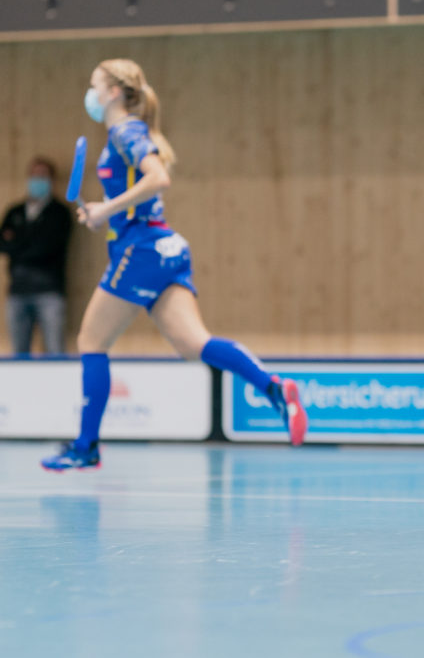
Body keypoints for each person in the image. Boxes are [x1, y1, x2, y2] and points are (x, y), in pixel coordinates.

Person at [40, 59, 307, 471]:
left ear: (112, 92)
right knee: (194, 345)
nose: (89, 95)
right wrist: (104, 214)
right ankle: (274, 388)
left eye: (94, 85)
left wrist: (106, 209)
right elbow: (139, 193)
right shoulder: (127, 133)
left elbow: (157, 177)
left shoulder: (125, 130)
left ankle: (85, 447)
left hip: (143, 250)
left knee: (92, 343)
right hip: (166, 247)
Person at [1, 157, 73, 356]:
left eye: (43, 175)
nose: (37, 179)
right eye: (34, 175)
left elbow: (47, 248)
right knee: (19, 354)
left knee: (54, 350)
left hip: (49, 291)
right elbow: (3, 244)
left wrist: (17, 242)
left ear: (51, 180)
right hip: (17, 291)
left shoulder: (59, 213)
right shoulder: (15, 211)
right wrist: (27, 244)